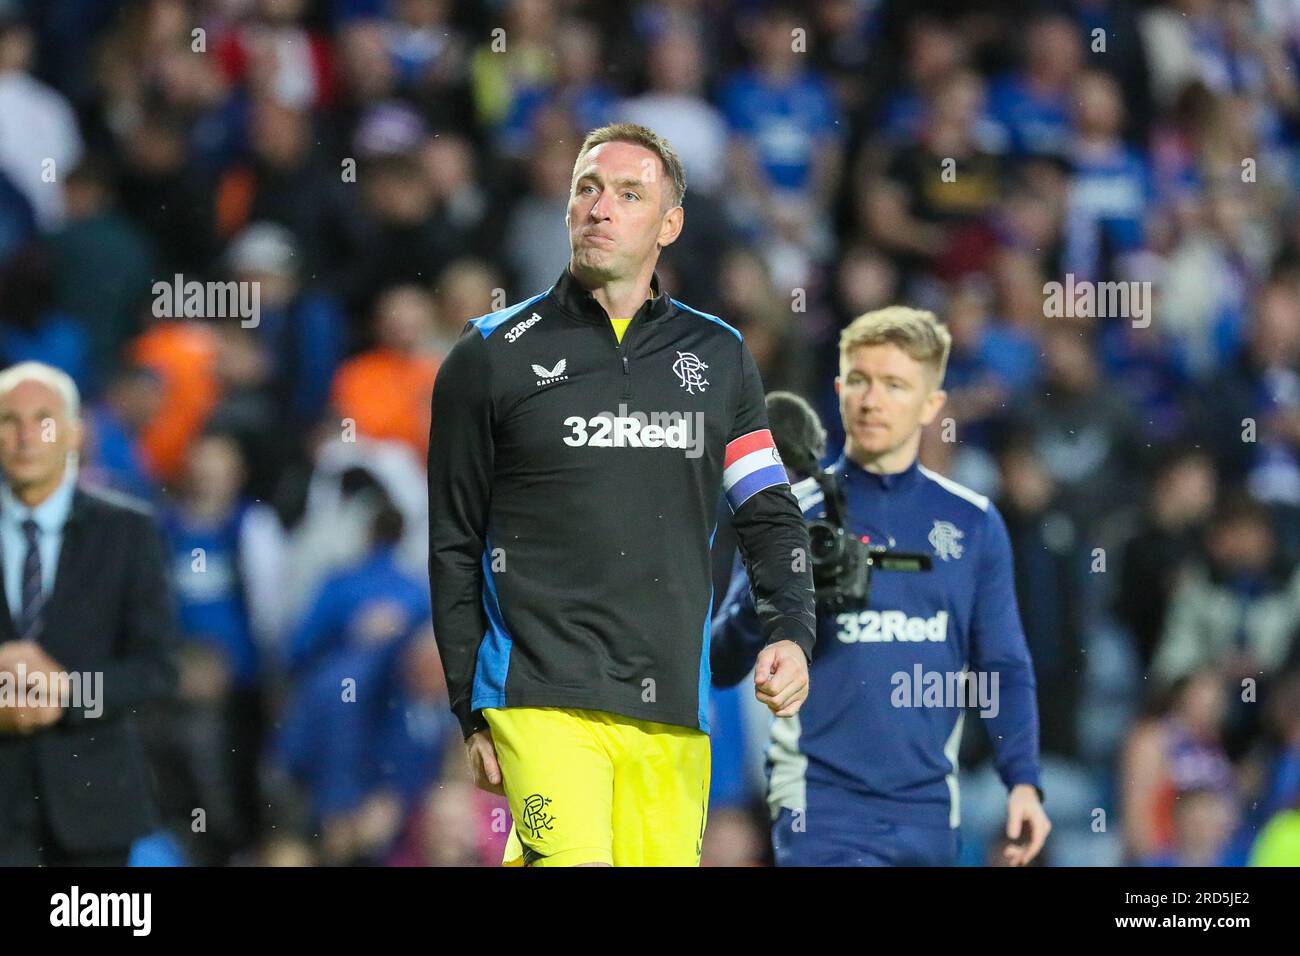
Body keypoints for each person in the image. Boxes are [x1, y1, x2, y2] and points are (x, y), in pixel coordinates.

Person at [427, 122, 816, 867]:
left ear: (670, 224)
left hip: (672, 700)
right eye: (587, 188)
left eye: (628, 194)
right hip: (539, 692)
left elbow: (768, 513)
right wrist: (469, 711)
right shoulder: (488, 357)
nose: (600, 207)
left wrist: (791, 631)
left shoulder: (721, 357)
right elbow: (453, 542)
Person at [712, 306, 1050, 866]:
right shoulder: (787, 517)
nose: (872, 400)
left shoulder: (973, 524)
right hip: (817, 807)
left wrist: (1023, 781)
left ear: (932, 404)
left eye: (895, 385)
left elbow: (1005, 667)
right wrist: (769, 597)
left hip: (928, 812)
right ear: (840, 390)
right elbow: (723, 663)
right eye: (861, 381)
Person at [0, 361, 177, 865]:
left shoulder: (128, 532)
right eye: (9, 420)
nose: (26, 437)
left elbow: (157, 671)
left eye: (44, 420)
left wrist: (72, 694)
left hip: (95, 812)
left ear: (76, 433)